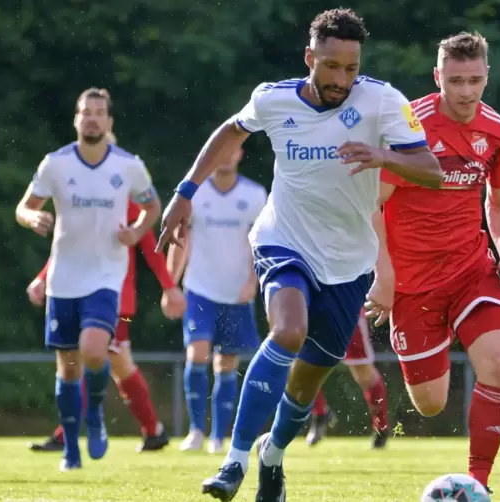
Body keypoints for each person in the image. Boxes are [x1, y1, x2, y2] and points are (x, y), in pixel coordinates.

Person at [156, 8, 441, 500]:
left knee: (307, 382)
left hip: (349, 263)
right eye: (331, 66)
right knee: (288, 331)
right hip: (283, 240)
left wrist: (384, 156)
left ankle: (273, 455)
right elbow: (231, 130)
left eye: (351, 68)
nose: (342, 79)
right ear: (310, 57)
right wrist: (185, 192)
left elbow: (431, 170)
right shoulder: (273, 98)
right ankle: (234, 461)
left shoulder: (383, 101)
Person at [373, 32, 500, 494]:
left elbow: (498, 201)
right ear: (438, 77)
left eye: (475, 80)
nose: (465, 91)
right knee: (431, 404)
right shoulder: (408, 127)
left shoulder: (497, 131)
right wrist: (384, 274)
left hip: (470, 268)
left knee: (498, 361)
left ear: (486, 77)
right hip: (412, 285)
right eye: (455, 80)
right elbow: (371, 206)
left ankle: (478, 485)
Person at [15, 88, 161, 471]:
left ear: (110, 122)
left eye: (100, 113)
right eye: (86, 112)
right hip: (64, 276)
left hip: (106, 276)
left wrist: (137, 228)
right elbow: (24, 206)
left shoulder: (129, 166)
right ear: (76, 120)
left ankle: (94, 413)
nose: (93, 118)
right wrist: (33, 218)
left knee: (96, 350)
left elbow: (152, 206)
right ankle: (70, 451)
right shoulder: (55, 164)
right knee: (67, 364)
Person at [27, 140, 186, 452]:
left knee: (95, 356)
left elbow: (148, 243)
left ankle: (65, 433)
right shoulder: (83, 199)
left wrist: (169, 286)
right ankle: (153, 430)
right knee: (119, 363)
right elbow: (68, 247)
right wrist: (43, 278)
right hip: (88, 292)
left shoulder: (124, 199)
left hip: (115, 300)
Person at [166, 147, 267, 454]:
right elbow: (181, 239)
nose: (225, 156)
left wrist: (254, 281)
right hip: (199, 289)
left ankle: (218, 436)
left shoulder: (254, 194)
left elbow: (260, 243)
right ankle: (196, 430)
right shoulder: (194, 193)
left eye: (231, 150)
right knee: (197, 352)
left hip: (236, 292)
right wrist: (169, 285)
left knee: (227, 363)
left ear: (240, 154)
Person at [305, 309, 390, 449]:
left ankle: (381, 426)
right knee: (303, 369)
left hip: (347, 311)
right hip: (315, 314)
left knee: (365, 375)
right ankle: (320, 414)